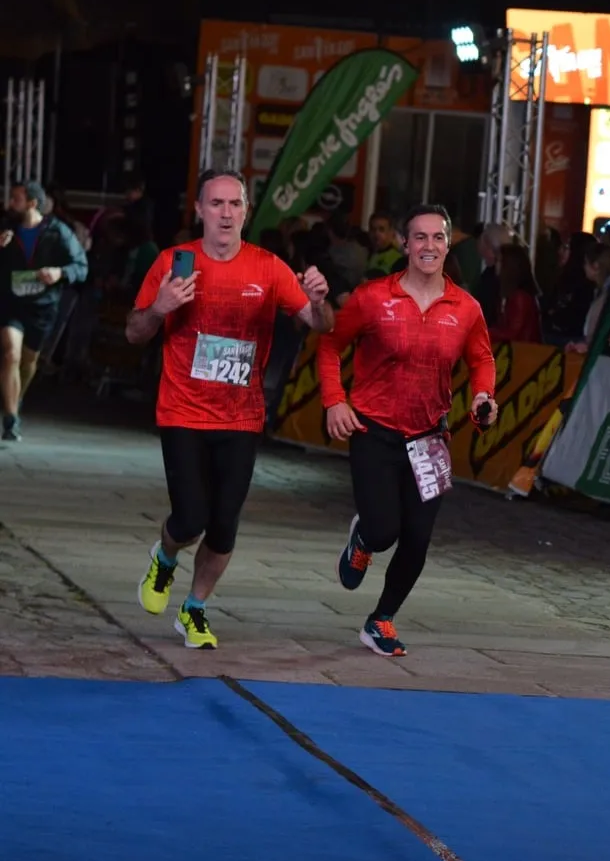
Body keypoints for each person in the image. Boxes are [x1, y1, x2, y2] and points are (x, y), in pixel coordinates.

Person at [129, 169, 334, 648]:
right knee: (190, 518)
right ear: (198, 210)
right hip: (182, 411)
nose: (225, 213)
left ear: (245, 210)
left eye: (234, 204)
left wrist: (322, 301)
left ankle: (194, 609)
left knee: (223, 526)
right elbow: (135, 332)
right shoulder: (176, 263)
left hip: (241, 417)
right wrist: (159, 307)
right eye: (215, 204)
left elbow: (320, 324)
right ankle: (165, 555)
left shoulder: (268, 268)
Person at [321, 204, 497, 658]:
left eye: (438, 238)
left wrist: (482, 397)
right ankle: (364, 538)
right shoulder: (372, 297)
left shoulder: (466, 307)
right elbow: (330, 344)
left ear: (447, 244)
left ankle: (381, 620)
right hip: (374, 429)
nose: (429, 246)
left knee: (417, 537)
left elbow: (481, 359)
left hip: (431, 439)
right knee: (384, 531)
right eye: (419, 237)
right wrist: (334, 400)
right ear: (404, 244)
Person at [1, 180, 89, 441]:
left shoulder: (58, 232)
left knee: (28, 362)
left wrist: (60, 272)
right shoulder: (6, 229)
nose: (9, 204)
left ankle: (14, 401)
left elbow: (81, 266)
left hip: (42, 307)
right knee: (10, 353)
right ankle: (10, 417)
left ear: (32, 203)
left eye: (16, 199)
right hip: (9, 303)